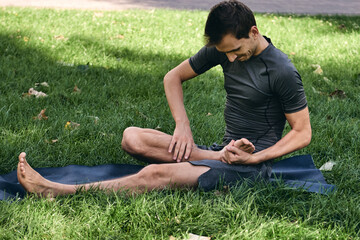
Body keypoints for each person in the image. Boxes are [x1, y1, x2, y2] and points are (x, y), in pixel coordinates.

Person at [17, 0, 311, 197]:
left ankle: (56, 190)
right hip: (222, 152)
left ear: (253, 32)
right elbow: (172, 77)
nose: (231, 58)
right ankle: (215, 157)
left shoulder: (281, 71)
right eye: (225, 53)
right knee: (133, 138)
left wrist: (255, 156)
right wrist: (182, 125)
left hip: (253, 168)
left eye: (235, 51)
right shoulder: (224, 48)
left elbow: (302, 132)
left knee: (155, 174)